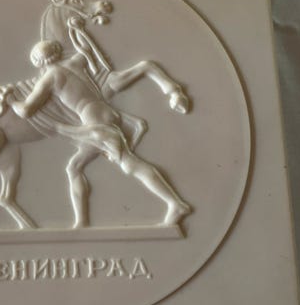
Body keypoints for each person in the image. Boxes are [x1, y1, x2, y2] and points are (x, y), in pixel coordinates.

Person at [10, 40, 191, 225]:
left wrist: (11, 101)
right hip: (107, 113)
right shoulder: (75, 62)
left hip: (95, 121)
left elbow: (26, 110)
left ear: (37, 62)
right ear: (57, 51)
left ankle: (175, 204)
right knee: (75, 166)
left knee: (129, 164)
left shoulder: (50, 77)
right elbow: (87, 49)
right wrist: (78, 33)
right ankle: (82, 223)